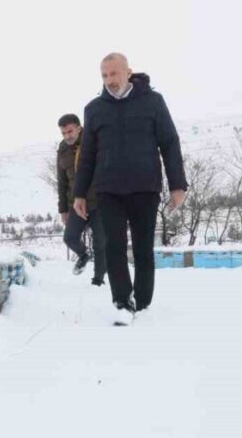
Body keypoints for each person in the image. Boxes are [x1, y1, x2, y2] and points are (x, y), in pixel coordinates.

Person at [72, 53, 188, 325]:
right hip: (108, 189)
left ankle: (144, 303)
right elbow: (87, 155)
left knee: (143, 248)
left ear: (128, 72)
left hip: (145, 187)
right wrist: (79, 193)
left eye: (114, 74)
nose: (109, 80)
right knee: (113, 246)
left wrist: (178, 185)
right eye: (104, 75)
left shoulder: (153, 102)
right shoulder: (94, 109)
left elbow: (169, 142)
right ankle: (122, 302)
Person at [55, 113, 106, 285]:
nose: (67, 136)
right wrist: (63, 209)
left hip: (99, 202)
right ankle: (83, 255)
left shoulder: (94, 141)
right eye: (63, 133)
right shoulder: (62, 150)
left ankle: (98, 280)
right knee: (69, 237)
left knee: (101, 244)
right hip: (75, 204)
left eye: (70, 131)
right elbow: (61, 182)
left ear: (79, 127)